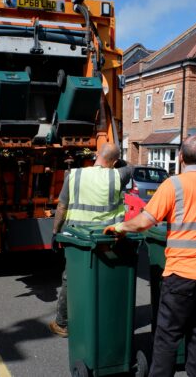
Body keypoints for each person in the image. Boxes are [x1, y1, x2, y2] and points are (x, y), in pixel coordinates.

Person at [104, 135, 196, 377]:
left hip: (181, 276)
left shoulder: (174, 185)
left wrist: (119, 227)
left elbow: (144, 222)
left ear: (180, 158)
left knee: (167, 338)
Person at [48, 143, 131, 338]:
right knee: (107, 278)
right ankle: (106, 320)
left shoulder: (74, 175)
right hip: (109, 238)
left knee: (72, 279)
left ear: (96, 155)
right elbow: (129, 166)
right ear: (115, 161)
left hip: (80, 239)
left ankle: (63, 323)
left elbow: (62, 207)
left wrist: (55, 231)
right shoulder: (120, 175)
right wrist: (117, 162)